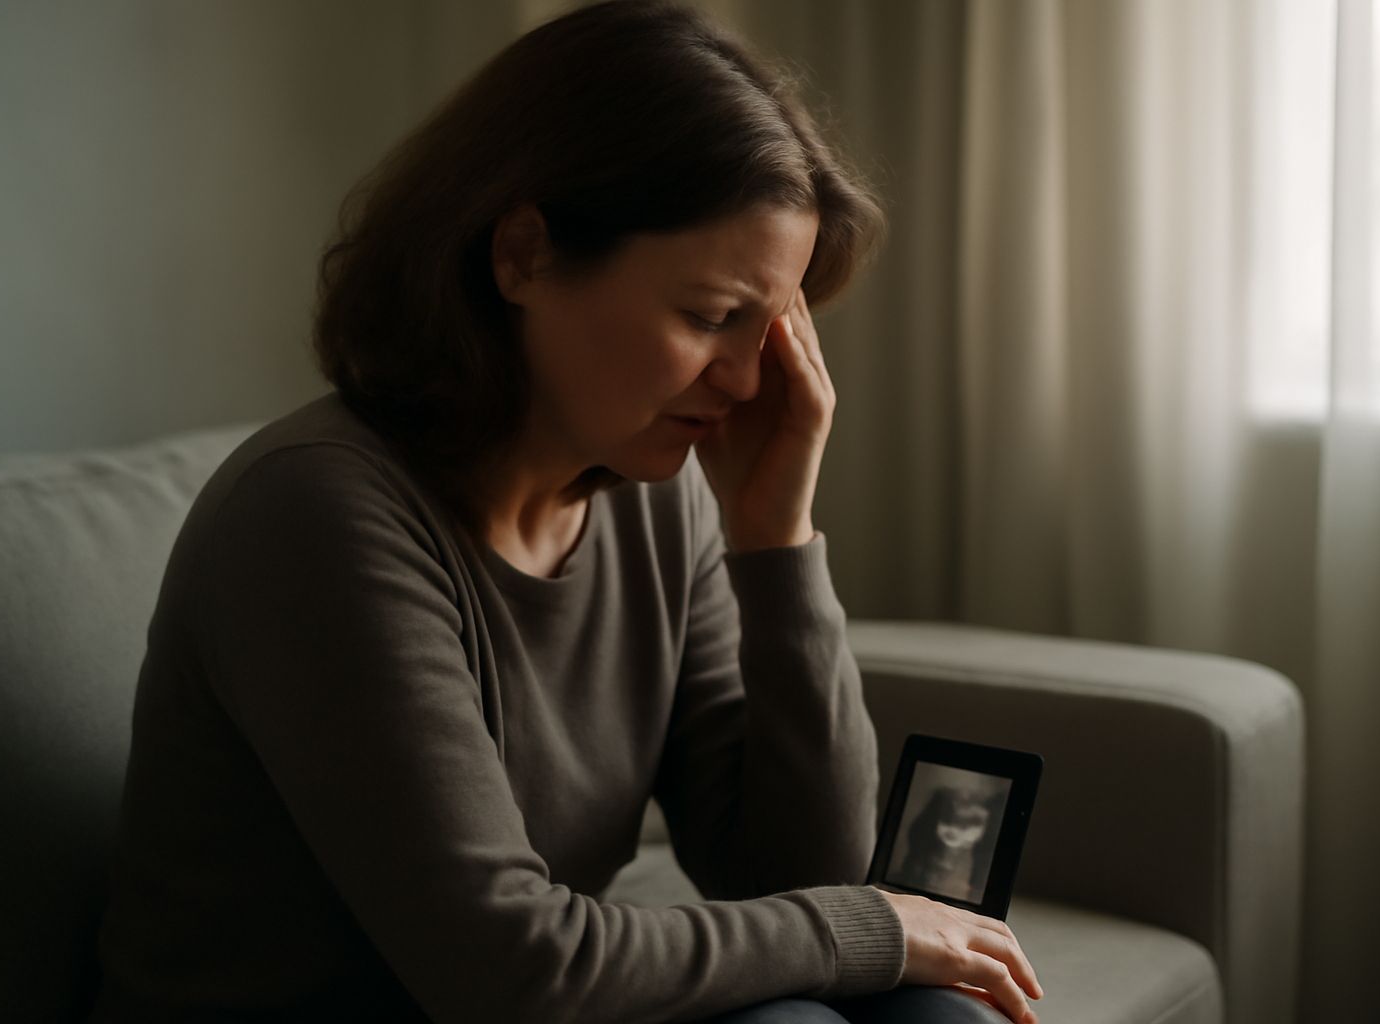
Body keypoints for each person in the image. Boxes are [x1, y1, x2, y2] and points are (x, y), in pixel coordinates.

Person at [87, 3, 1043, 1022]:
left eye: (769, 331)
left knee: (935, 1011)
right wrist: (877, 927)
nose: (745, 379)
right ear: (524, 255)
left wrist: (777, 541)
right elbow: (510, 971)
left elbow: (798, 872)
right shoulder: (318, 517)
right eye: (713, 316)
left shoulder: (653, 499)